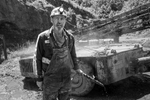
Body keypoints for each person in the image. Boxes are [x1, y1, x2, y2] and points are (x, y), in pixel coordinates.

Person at [35, 6, 82, 100]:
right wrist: (39, 78)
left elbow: (73, 55)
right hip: (50, 80)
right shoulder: (43, 37)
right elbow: (38, 58)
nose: (59, 21)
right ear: (51, 20)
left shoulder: (70, 38)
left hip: (66, 79)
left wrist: (77, 69)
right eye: (56, 18)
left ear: (65, 21)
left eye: (61, 18)